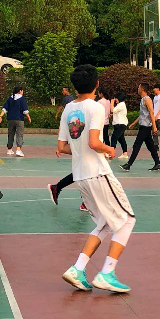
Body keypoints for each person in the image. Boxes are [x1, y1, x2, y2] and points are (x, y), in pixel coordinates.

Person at [59, 65, 135, 294]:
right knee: (127, 221)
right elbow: (94, 142)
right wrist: (108, 149)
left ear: (74, 86)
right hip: (98, 173)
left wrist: (82, 149)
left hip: (80, 175)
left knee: (105, 223)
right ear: (97, 84)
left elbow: (62, 147)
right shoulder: (96, 107)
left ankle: (77, 269)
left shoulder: (68, 109)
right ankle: (107, 273)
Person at [120, 82, 160, 172]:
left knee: (136, 145)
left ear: (142, 89)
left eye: (139, 87)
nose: (137, 89)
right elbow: (142, 115)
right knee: (151, 146)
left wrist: (154, 127)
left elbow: (151, 113)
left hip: (146, 127)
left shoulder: (147, 99)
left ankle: (128, 164)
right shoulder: (143, 100)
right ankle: (157, 163)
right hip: (143, 126)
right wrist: (134, 123)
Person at [0, 86, 31, 157]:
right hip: (19, 119)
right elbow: (25, 110)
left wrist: (0, 116)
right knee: (19, 134)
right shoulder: (22, 98)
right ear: (20, 91)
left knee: (11, 134)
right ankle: (18, 150)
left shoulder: (10, 98)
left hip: (10, 119)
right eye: (22, 91)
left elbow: (5, 108)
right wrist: (28, 117)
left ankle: (9, 149)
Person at [110, 94, 129, 159]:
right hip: (119, 124)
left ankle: (111, 152)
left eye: (116, 98)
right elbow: (117, 113)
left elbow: (112, 110)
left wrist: (111, 102)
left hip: (120, 124)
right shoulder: (120, 105)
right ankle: (125, 153)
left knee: (114, 137)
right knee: (121, 139)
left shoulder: (121, 104)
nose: (115, 100)